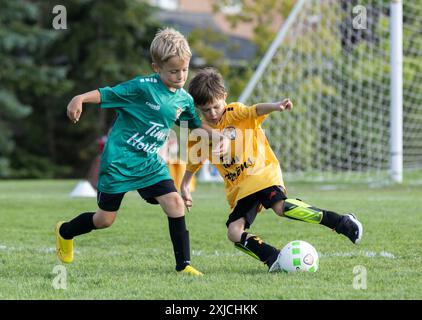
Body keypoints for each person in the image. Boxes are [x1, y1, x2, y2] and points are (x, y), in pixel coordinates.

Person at [55, 28, 228, 276]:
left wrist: (215, 135)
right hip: (119, 163)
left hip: (149, 163)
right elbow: (108, 93)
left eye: (184, 70)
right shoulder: (141, 88)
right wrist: (79, 98)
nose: (180, 76)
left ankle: (184, 266)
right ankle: (65, 231)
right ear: (156, 68)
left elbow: (193, 126)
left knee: (175, 204)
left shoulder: (184, 100)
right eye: (173, 71)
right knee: (105, 220)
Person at [180, 68, 363, 272]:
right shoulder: (201, 133)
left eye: (216, 106)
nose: (212, 114)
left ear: (224, 97)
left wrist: (276, 106)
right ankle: (272, 257)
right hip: (241, 189)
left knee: (280, 208)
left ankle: (340, 222)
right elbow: (193, 162)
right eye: (206, 110)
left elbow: (255, 110)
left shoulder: (235, 112)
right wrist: (185, 185)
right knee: (233, 232)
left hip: (262, 173)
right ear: (198, 108)